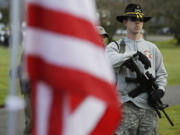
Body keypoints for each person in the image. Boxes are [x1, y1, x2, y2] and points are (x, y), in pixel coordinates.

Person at [105, 3, 167, 135]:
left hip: (149, 107)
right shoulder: (115, 46)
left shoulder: (152, 48)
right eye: (133, 19)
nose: (137, 22)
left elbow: (161, 73)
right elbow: (109, 61)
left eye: (140, 19)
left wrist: (160, 90)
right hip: (125, 105)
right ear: (124, 22)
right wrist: (134, 54)